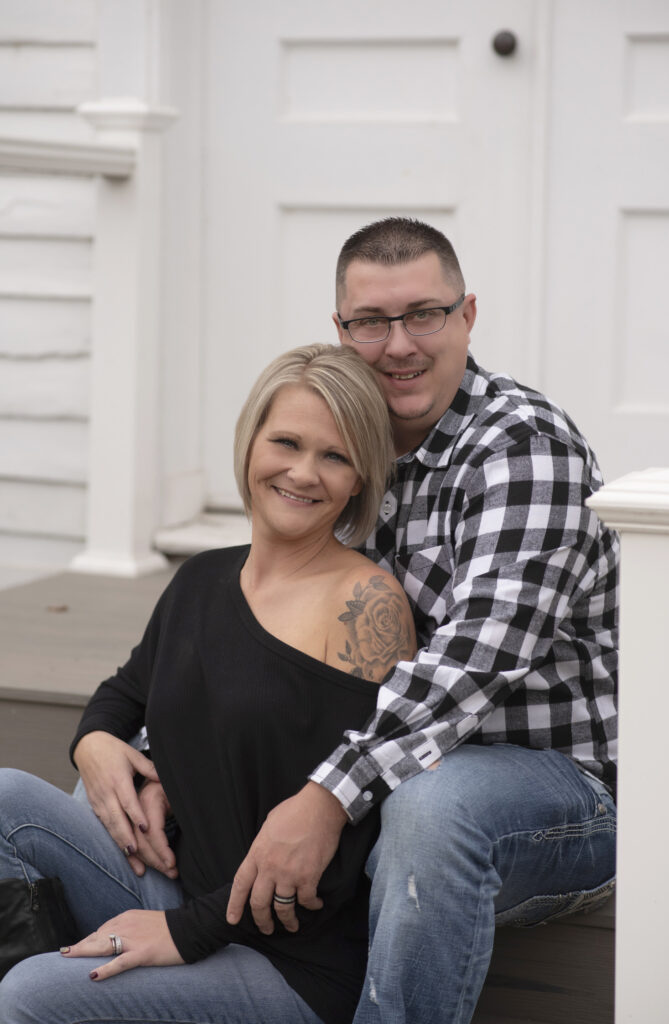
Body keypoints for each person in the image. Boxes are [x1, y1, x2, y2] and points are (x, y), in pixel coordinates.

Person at [224, 218, 619, 1023]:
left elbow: (476, 660)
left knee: (433, 809)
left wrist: (327, 795)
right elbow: (274, 618)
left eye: (424, 315)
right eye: (372, 322)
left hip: (558, 794)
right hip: (396, 764)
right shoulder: (341, 443)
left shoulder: (525, 448)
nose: (399, 345)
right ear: (342, 330)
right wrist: (137, 740)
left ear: (467, 316)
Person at [0, 343, 417, 1024]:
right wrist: (94, 743)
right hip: (176, 894)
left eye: (335, 457)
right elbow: (126, 689)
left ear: (359, 480)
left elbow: (346, 845)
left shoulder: (364, 605)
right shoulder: (202, 578)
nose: (303, 472)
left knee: (30, 994)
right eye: (286, 442)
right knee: (6, 798)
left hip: (286, 959)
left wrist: (183, 932)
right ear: (250, 443)